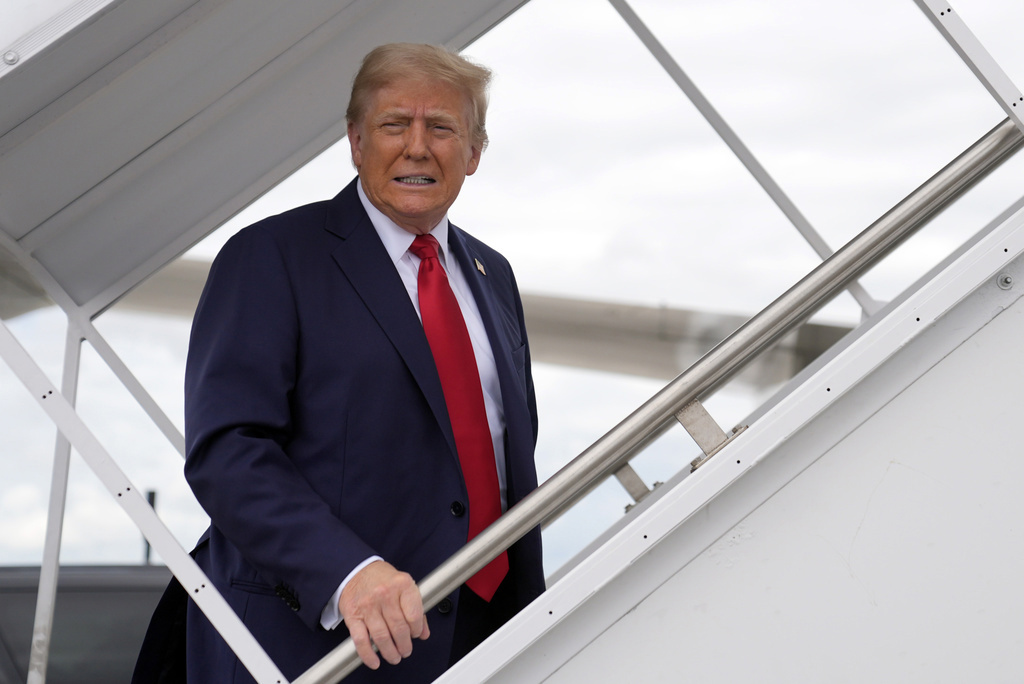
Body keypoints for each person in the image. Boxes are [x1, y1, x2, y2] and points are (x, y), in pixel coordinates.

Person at [134, 43, 544, 684]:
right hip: (318, 646)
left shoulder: (495, 277)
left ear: (473, 153)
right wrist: (346, 573)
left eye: (441, 127)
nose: (417, 146)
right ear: (356, 142)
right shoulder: (270, 258)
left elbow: (500, 460)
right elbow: (229, 451)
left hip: (486, 638)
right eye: (393, 125)